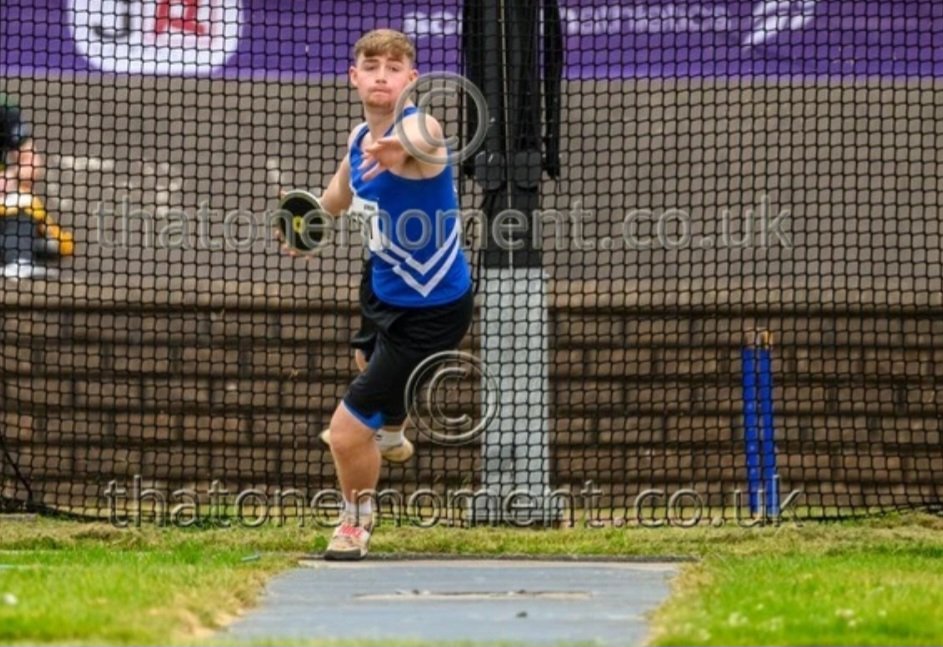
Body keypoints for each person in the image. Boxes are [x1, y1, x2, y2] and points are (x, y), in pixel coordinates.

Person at [278, 29, 473, 560]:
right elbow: (338, 197)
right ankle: (391, 426)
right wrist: (307, 226)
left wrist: (399, 148)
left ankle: (355, 523)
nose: (382, 74)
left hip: (434, 306)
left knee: (344, 434)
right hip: (382, 286)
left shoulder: (417, 134)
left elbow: (428, 136)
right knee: (367, 356)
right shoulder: (357, 137)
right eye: (371, 65)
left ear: (410, 78)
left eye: (394, 66)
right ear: (355, 77)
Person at [0, 94, 74, 279]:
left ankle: (19, 260)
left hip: (4, 203)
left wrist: (10, 176)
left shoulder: (4, 111)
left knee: (25, 199)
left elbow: (32, 163)